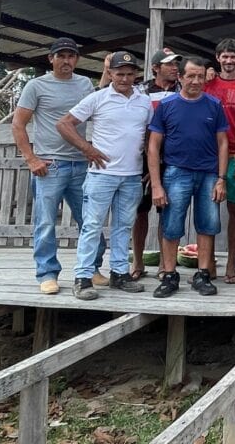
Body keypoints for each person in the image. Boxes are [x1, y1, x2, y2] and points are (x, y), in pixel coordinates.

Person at [56, 51, 153, 300]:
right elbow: (64, 123)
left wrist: (150, 167)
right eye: (119, 74)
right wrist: (86, 148)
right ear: (110, 74)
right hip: (102, 174)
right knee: (92, 226)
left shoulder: (143, 101)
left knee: (123, 227)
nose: (124, 79)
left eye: (130, 74)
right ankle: (83, 277)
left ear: (136, 76)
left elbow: (150, 135)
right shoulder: (97, 98)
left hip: (131, 175)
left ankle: (119, 274)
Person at [12, 37, 104, 294]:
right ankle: (47, 272)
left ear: (77, 59)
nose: (66, 61)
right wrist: (31, 158)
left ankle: (92, 268)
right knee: (45, 222)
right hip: (49, 165)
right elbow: (18, 124)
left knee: (90, 219)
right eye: (61, 56)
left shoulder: (85, 83)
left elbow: (98, 111)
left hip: (81, 164)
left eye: (71, 56)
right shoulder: (36, 86)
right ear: (51, 58)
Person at [147, 56, 229, 298]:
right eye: (190, 76)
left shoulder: (214, 105)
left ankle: (202, 274)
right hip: (176, 172)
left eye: (200, 76)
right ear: (180, 77)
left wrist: (221, 178)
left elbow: (223, 143)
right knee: (172, 225)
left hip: (208, 174)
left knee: (208, 225)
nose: (195, 81)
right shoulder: (167, 106)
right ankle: (170, 275)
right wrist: (156, 185)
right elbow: (153, 146)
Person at [130, 49, 182, 280]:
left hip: (172, 158)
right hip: (140, 158)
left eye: (176, 64)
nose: (174, 68)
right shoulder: (139, 90)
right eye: (169, 64)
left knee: (166, 213)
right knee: (139, 212)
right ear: (155, 68)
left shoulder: (183, 91)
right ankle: (137, 263)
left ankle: (164, 263)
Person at [204, 38, 235, 285]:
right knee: (208, 211)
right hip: (209, 155)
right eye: (224, 56)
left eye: (233, 56)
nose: (229, 60)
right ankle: (208, 261)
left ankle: (232, 262)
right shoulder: (206, 83)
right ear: (217, 58)